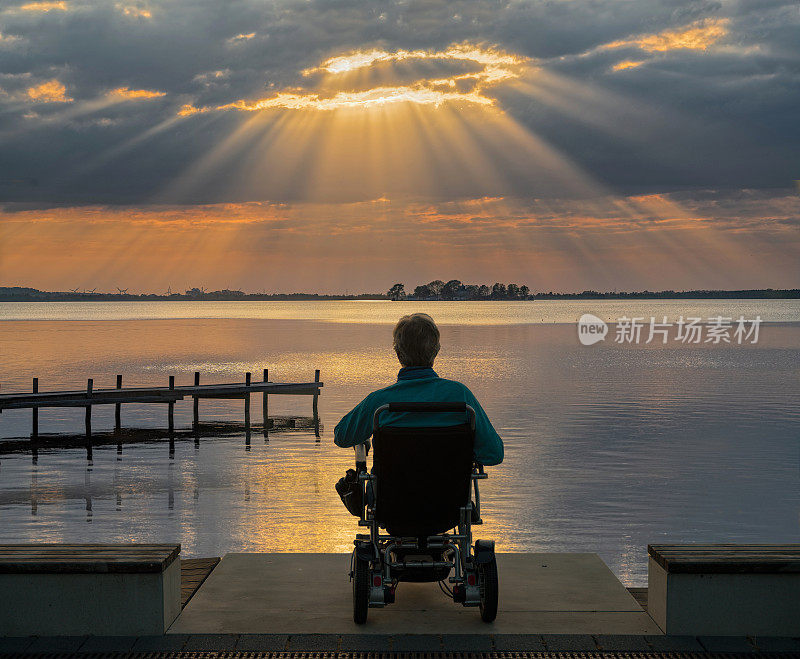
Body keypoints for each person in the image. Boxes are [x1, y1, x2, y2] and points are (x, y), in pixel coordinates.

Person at [334, 313, 504, 466]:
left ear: (398, 354)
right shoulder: (460, 396)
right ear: (436, 352)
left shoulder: (379, 403)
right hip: (450, 499)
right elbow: (493, 455)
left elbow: (342, 436)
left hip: (392, 499)